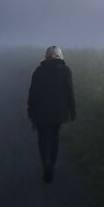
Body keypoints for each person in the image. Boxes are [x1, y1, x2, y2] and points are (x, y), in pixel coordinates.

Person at [27, 46, 76, 183]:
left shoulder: (38, 71)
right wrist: (72, 110)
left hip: (41, 112)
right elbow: (69, 92)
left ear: (46, 56)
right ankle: (52, 165)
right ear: (60, 56)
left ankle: (46, 163)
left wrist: (30, 110)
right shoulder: (66, 71)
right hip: (59, 112)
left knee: (43, 139)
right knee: (54, 138)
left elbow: (33, 93)